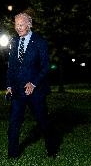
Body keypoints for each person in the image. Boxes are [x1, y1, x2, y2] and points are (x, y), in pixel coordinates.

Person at [6, 12, 55, 158]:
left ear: (29, 24)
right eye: (16, 25)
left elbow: (46, 66)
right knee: (14, 124)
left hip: (36, 91)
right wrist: (9, 85)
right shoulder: (14, 42)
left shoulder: (40, 42)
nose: (18, 28)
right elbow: (11, 66)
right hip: (17, 91)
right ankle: (12, 155)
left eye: (21, 25)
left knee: (43, 122)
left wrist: (33, 83)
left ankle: (51, 150)